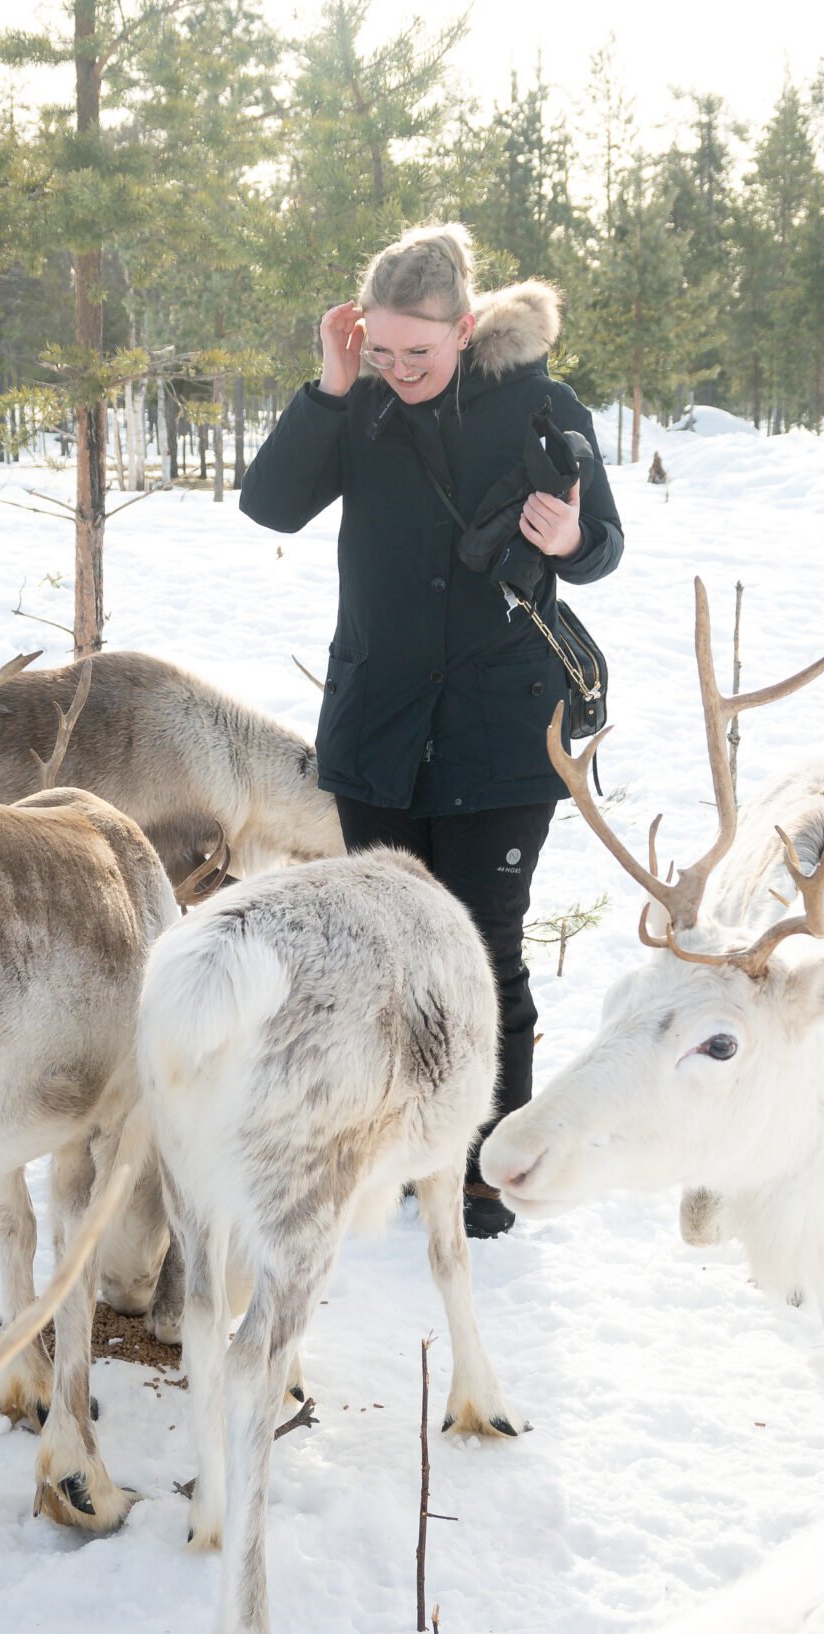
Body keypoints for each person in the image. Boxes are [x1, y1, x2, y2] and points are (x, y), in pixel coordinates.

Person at [241, 222, 624, 1238]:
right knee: (382, 952)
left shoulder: (542, 403)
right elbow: (270, 505)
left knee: (484, 948)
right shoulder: (356, 404)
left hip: (503, 735)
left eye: (422, 352)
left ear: (465, 328)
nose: (402, 371)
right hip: (377, 725)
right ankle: (385, 1150)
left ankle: (484, 1169)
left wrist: (572, 539)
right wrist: (330, 383)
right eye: (384, 352)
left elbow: (604, 548)